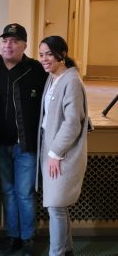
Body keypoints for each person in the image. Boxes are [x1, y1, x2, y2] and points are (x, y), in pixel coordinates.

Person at [0, 23, 47, 255]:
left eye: (15, 41)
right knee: (8, 192)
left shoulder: (37, 70)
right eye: (5, 40)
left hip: (25, 145)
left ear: (24, 45)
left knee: (25, 193)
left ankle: (27, 238)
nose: (9, 45)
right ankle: (12, 235)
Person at [37, 36, 88, 256]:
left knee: (56, 206)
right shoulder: (53, 78)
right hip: (50, 150)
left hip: (61, 153)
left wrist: (56, 153)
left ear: (62, 54)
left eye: (49, 54)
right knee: (59, 205)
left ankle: (56, 253)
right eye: (41, 54)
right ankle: (67, 250)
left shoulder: (71, 80)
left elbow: (72, 122)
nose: (44, 59)